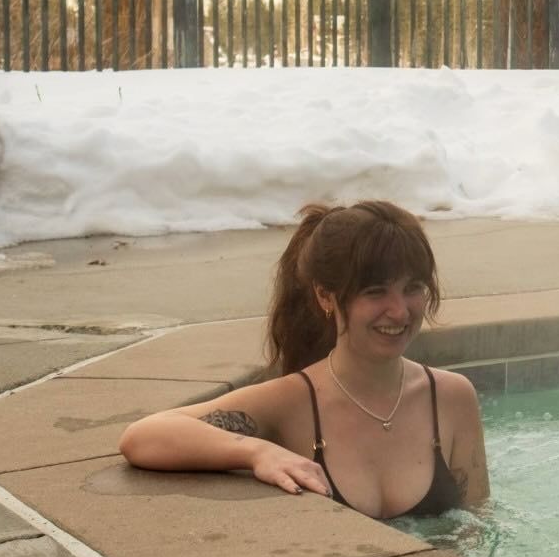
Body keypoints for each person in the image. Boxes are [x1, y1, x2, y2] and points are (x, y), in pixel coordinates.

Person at [118, 201, 488, 519]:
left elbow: (478, 525)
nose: (399, 311)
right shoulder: (292, 402)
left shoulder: (452, 398)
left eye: (413, 289)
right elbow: (143, 436)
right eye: (375, 293)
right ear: (326, 296)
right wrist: (258, 453)